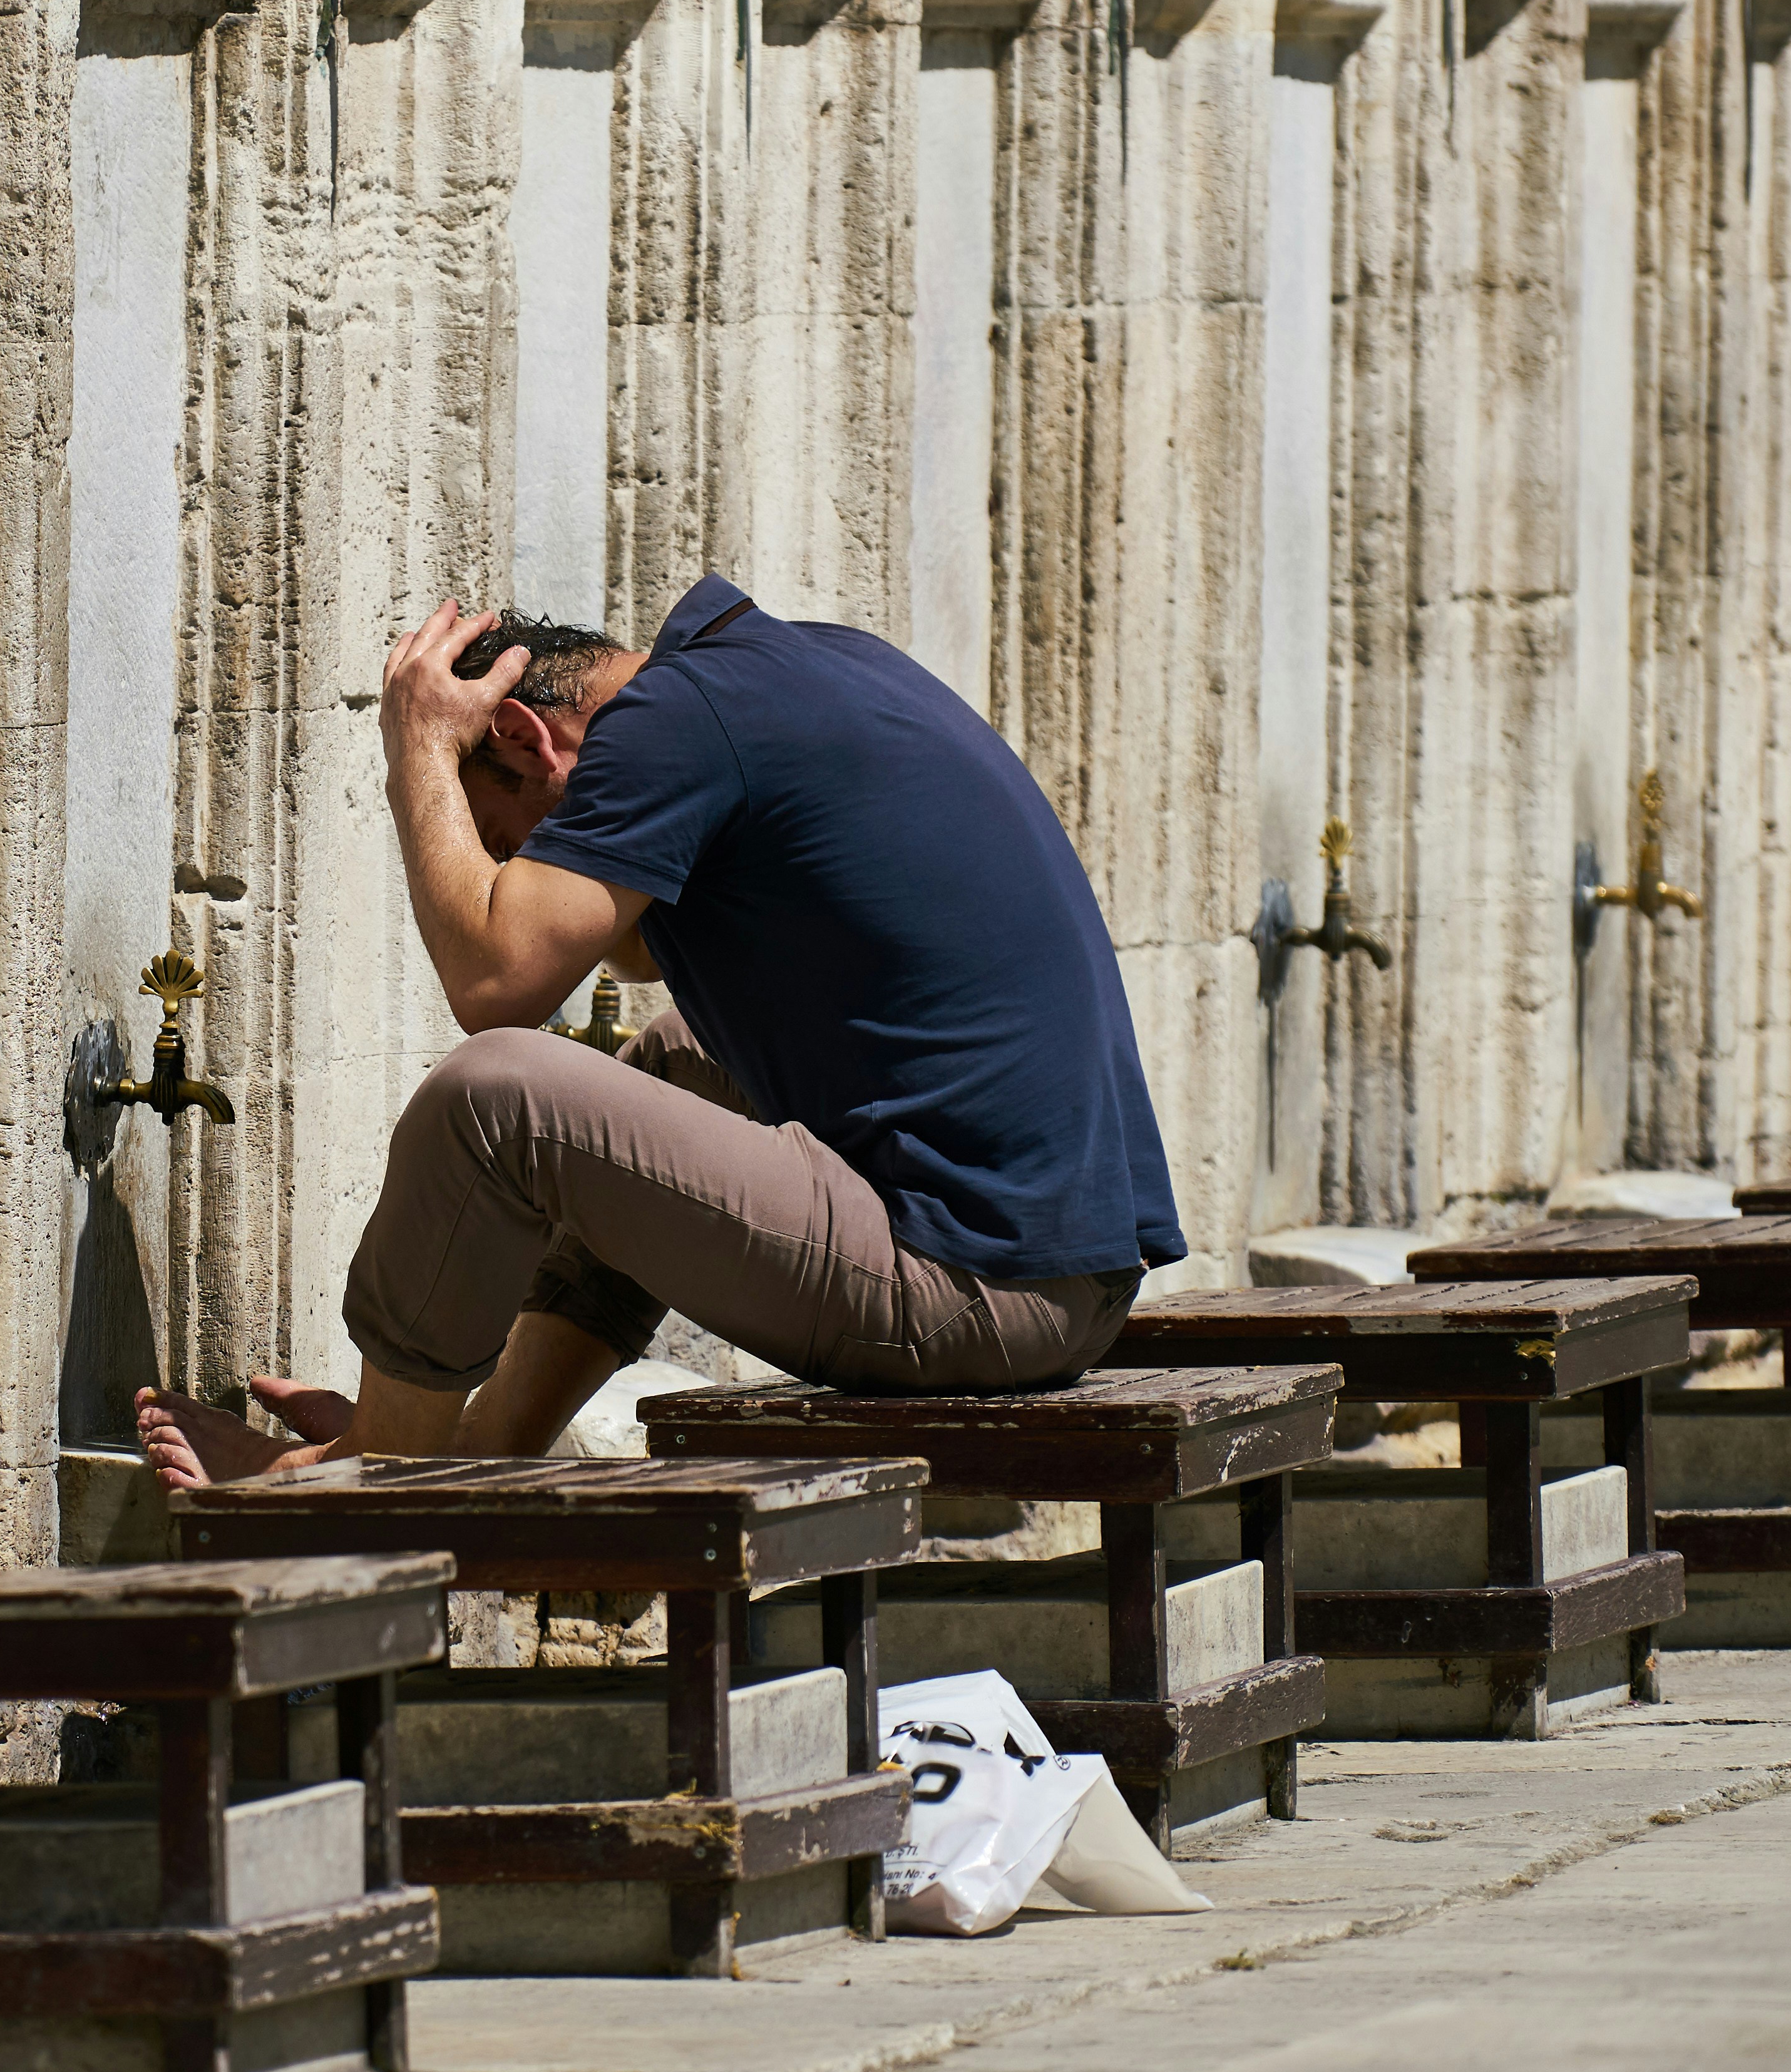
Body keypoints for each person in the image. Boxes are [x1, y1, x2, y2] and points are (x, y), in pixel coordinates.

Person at [138, 575, 1182, 1487]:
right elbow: (631, 952)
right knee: (673, 1063)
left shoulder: (673, 722)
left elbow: (498, 979)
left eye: (504, 843)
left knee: (496, 1094)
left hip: (981, 1291)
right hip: (1062, 1277)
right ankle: (474, 1444)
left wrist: (416, 743)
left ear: (521, 737)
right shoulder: (775, 673)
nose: (518, 875)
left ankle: (375, 1490)